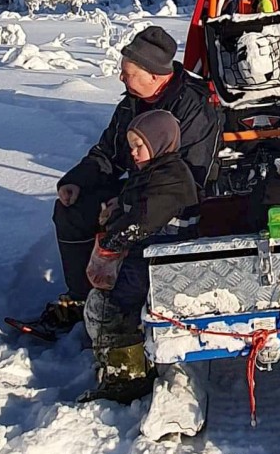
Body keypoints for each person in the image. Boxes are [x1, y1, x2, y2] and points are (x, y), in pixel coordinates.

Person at [30, 24, 217, 333]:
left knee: (127, 222)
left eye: (128, 73)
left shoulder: (194, 108)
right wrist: (77, 180)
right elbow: (108, 152)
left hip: (170, 202)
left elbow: (191, 177)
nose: (120, 77)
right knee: (72, 210)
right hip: (137, 188)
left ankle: (121, 309)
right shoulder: (131, 103)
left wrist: (128, 199)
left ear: (154, 76)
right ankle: (82, 298)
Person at [82, 108, 201, 401]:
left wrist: (113, 240)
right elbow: (135, 199)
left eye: (139, 145)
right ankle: (115, 362)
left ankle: (126, 377)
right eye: (131, 145)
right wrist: (116, 205)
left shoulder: (172, 178)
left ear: (159, 142)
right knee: (110, 301)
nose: (133, 153)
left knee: (116, 307)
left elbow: (143, 221)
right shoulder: (154, 172)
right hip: (149, 257)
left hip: (163, 262)